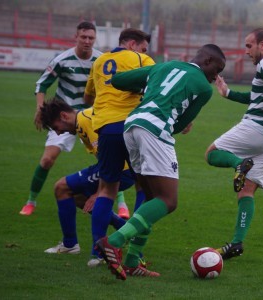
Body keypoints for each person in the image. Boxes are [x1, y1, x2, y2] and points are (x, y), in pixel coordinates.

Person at [95, 44, 226, 280]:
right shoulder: (204, 89)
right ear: (206, 60)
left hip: (132, 124)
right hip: (155, 129)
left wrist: (149, 87)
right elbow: (178, 125)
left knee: (151, 197)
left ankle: (133, 261)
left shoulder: (163, 66)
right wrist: (181, 122)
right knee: (168, 200)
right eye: (218, 68)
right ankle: (113, 242)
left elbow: (118, 81)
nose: (217, 76)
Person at [205, 27, 263, 260]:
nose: (246, 51)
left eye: (249, 46)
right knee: (247, 190)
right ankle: (236, 244)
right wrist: (228, 93)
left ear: (262, 45)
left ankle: (239, 163)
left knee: (212, 154)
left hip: (258, 129)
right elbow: (258, 99)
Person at [38, 98, 142, 267]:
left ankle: (83, 248)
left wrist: (99, 192)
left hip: (121, 169)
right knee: (77, 196)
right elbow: (103, 157)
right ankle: (123, 230)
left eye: (56, 128)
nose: (57, 133)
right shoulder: (82, 123)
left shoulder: (86, 122)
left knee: (61, 187)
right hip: (120, 167)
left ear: (64, 116)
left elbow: (111, 159)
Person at [84, 28, 155, 268]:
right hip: (133, 128)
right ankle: (135, 248)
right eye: (144, 47)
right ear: (133, 44)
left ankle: (97, 253)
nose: (146, 52)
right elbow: (156, 87)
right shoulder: (140, 59)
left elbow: (88, 97)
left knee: (106, 190)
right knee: (145, 186)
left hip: (106, 129)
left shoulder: (99, 61)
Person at [19, 21, 103, 216]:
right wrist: (40, 109)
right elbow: (41, 85)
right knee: (47, 160)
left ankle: (121, 204)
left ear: (95, 39)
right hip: (63, 119)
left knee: (108, 157)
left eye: (91, 38)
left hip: (92, 119)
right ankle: (31, 201)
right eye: (83, 37)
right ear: (76, 37)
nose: (87, 41)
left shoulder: (101, 60)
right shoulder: (62, 59)